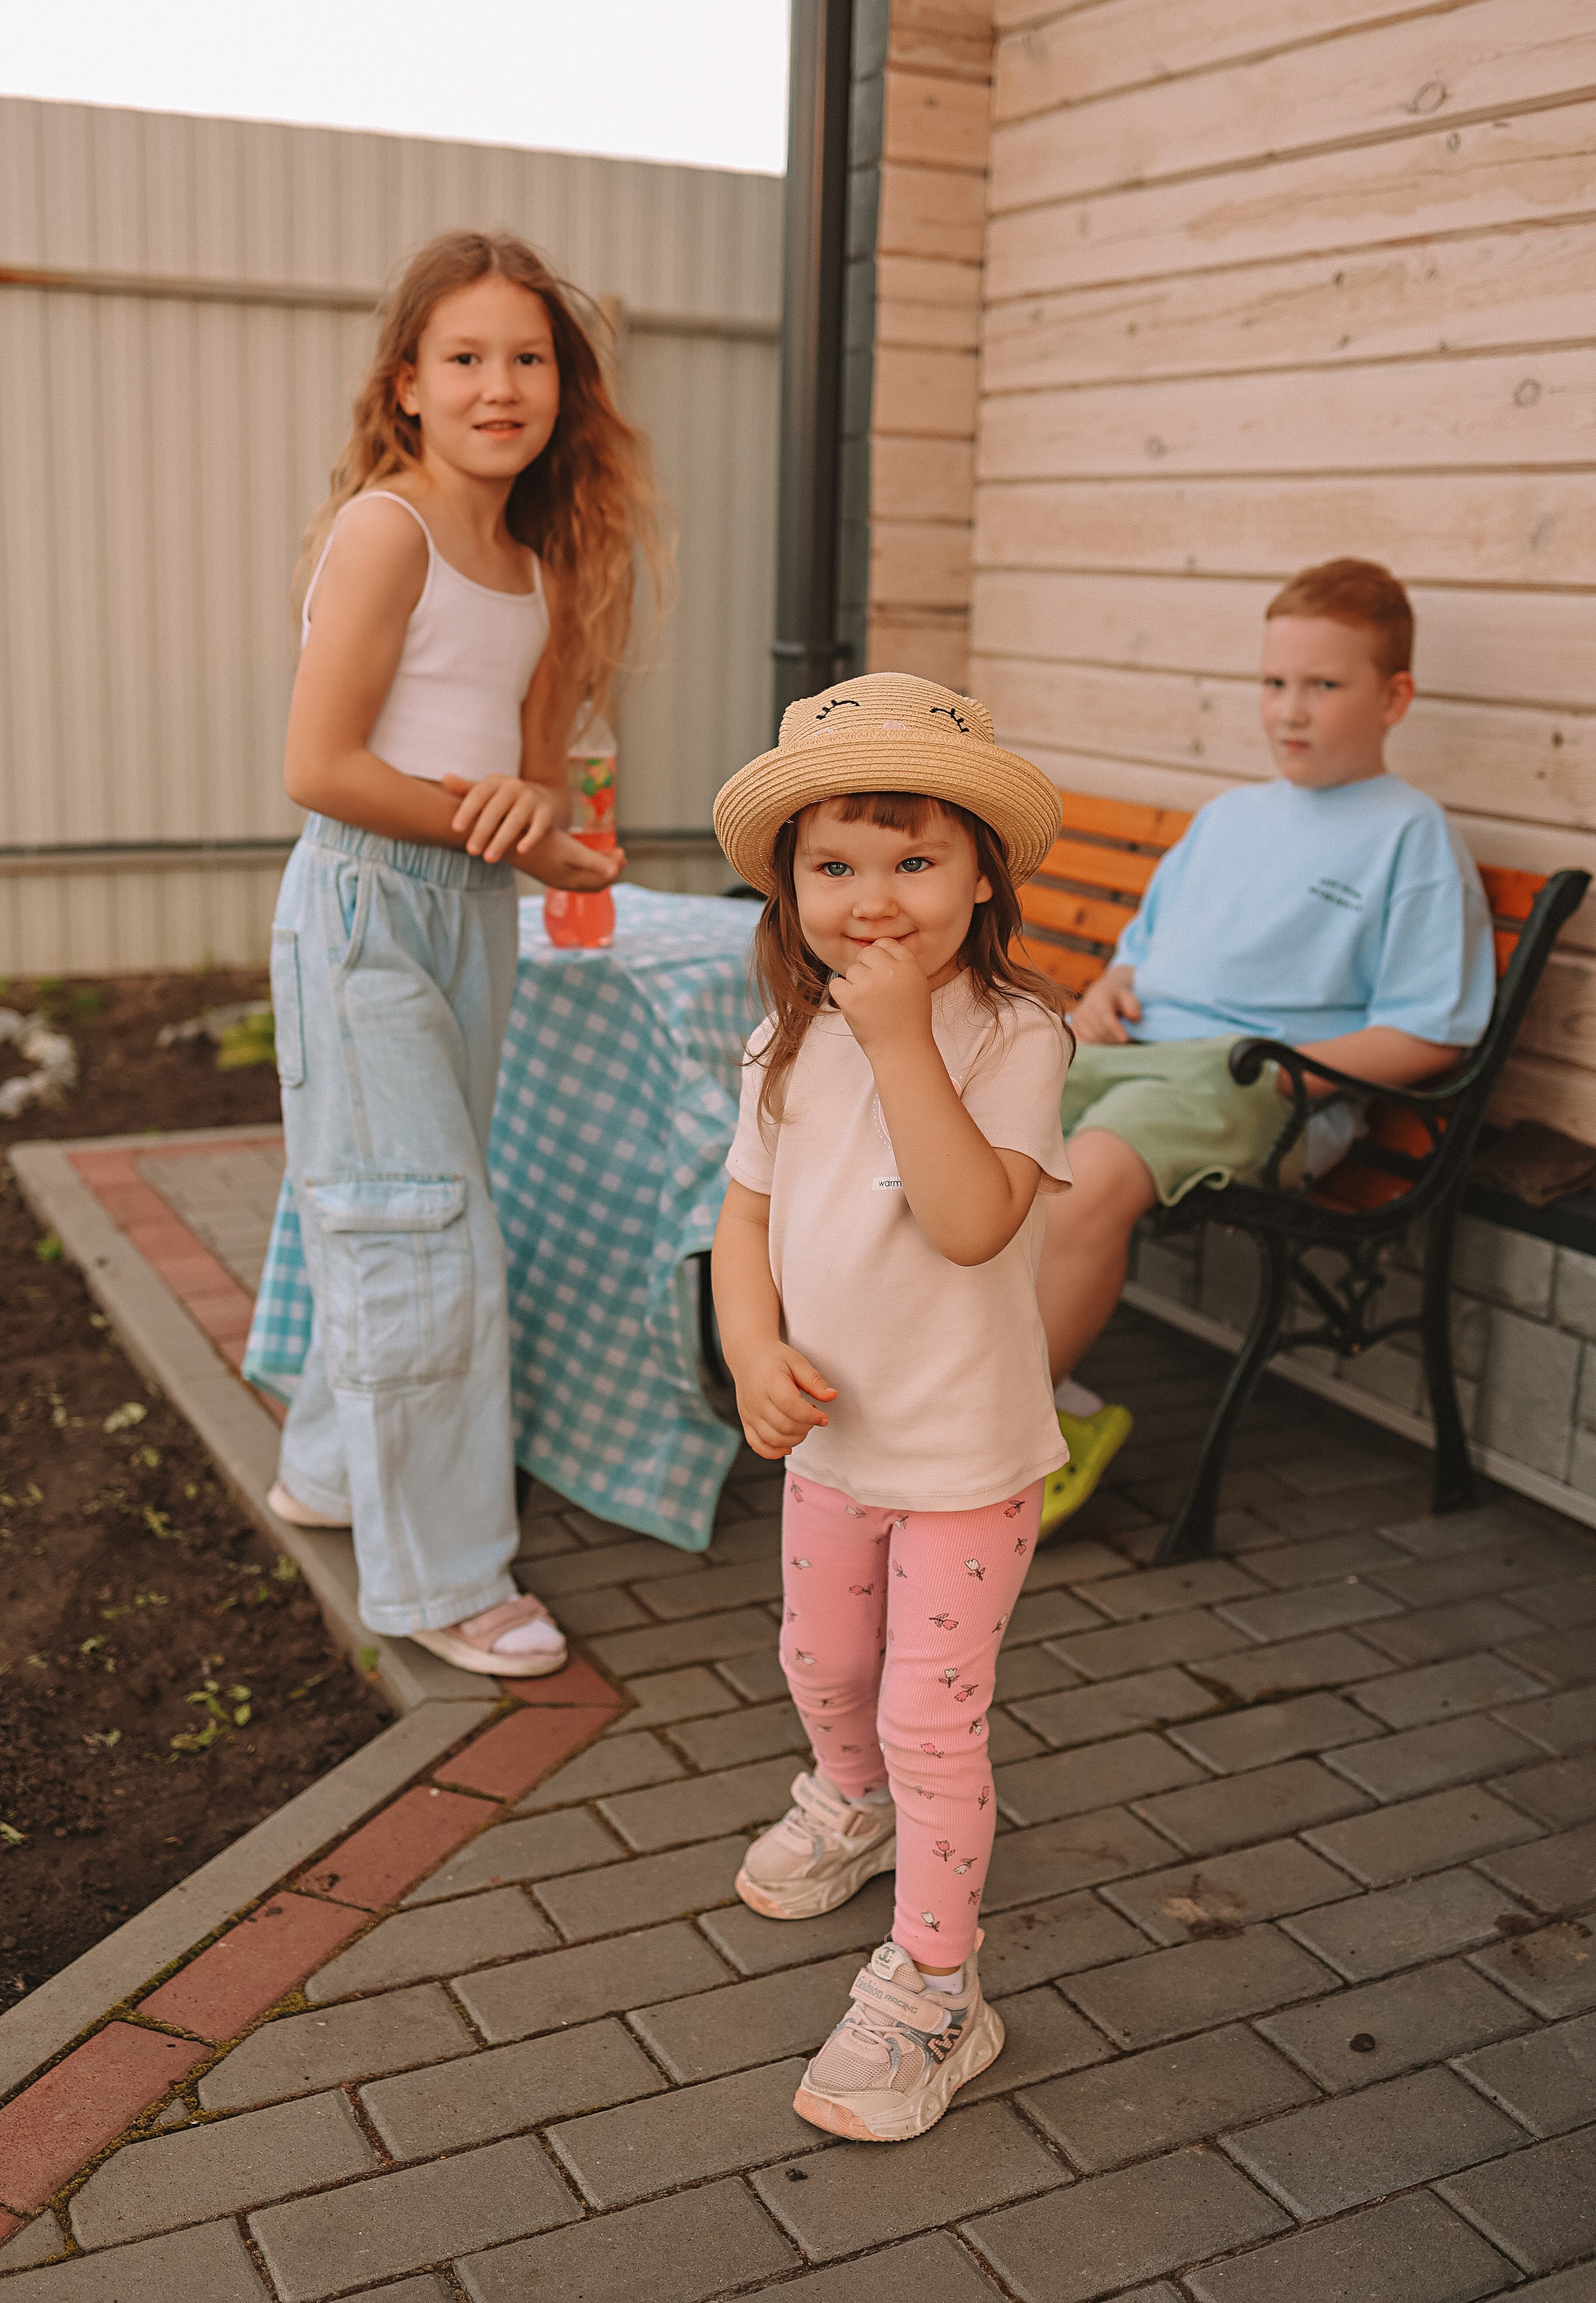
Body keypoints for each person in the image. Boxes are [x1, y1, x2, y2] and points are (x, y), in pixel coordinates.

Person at [256, 229, 663, 1677]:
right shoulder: (390, 529)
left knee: (399, 1211)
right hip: (368, 903)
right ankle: (440, 1579)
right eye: (468, 357)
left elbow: (535, 785)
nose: (503, 385)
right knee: (423, 1236)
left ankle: (325, 1474)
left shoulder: (540, 566)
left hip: (471, 911)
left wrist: (548, 830)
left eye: (531, 358)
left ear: (566, 386)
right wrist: (473, 816)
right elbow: (316, 765)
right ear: (410, 385)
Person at [709, 672, 1069, 2142]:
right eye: (833, 867)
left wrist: (904, 1039)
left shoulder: (1010, 1038)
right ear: (789, 887)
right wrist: (748, 1351)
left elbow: (975, 1219)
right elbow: (741, 1220)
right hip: (834, 1449)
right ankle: (846, 1803)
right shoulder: (782, 1046)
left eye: (913, 861)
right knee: (821, 1660)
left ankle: (936, 1985)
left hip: (965, 1461)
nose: (873, 900)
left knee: (933, 1716)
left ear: (979, 874)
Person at [1035, 558, 1495, 1533]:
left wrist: (1294, 1081)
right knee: (956, 1134)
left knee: (1088, 1174)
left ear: (1394, 696)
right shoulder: (1230, 818)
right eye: (1275, 683)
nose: (1291, 711)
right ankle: (1003, 1398)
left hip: (1260, 1088)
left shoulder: (1410, 838)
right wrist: (1108, 991)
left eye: (1324, 686)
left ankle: (991, 1441)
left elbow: (1432, 1030)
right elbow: (1142, 957)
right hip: (1137, 1056)